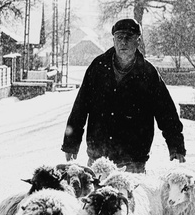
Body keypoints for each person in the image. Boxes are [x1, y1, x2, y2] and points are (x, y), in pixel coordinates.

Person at [61, 18, 186, 173]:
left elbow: (166, 113)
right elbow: (80, 107)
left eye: (129, 37)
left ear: (138, 41)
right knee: (98, 197)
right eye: (119, 37)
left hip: (133, 160)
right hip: (99, 158)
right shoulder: (98, 68)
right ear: (113, 40)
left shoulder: (147, 73)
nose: (123, 42)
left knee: (130, 198)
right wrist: (71, 143)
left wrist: (176, 146)